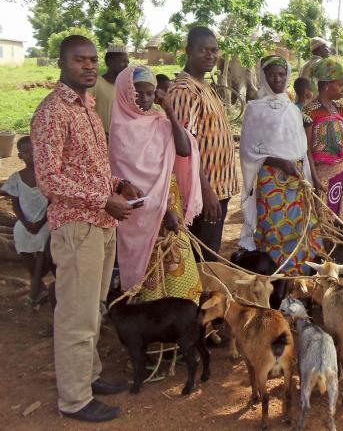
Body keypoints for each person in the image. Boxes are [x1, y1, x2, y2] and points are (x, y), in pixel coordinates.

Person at [31, 35, 143, 422]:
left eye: (93, 59)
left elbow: (88, 169)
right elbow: (49, 180)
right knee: (76, 315)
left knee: (92, 308)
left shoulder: (88, 109)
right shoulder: (53, 113)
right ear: (62, 64)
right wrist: (101, 200)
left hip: (101, 222)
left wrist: (117, 184)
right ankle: (75, 399)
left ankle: (89, 376)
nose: (90, 66)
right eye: (80, 60)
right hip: (78, 227)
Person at [109, 65, 203, 301]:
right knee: (147, 274)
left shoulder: (161, 122)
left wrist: (170, 110)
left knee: (177, 265)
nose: (145, 99)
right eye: (138, 93)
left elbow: (183, 149)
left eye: (150, 93)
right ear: (125, 93)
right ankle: (150, 321)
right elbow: (122, 179)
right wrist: (157, 210)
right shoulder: (119, 130)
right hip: (140, 215)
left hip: (169, 205)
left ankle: (180, 319)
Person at [239, 56, 323, 276]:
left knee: (299, 227)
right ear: (263, 76)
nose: (277, 79)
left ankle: (300, 276)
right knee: (275, 228)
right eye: (272, 74)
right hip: (271, 180)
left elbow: (302, 148)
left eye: (282, 74)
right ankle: (278, 278)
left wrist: (309, 177)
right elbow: (249, 150)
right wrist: (280, 162)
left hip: (296, 178)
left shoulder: (293, 110)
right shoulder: (254, 109)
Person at [169, 27, 239, 261]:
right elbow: (186, 148)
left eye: (214, 50)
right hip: (203, 192)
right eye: (203, 50)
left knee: (210, 254)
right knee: (202, 259)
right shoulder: (184, 91)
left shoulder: (204, 87)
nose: (210, 55)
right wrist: (206, 190)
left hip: (218, 188)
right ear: (188, 51)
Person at [303, 58, 343, 219]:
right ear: (326, 85)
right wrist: (315, 179)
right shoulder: (310, 112)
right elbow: (307, 149)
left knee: (338, 217)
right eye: (340, 85)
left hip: (341, 173)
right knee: (322, 219)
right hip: (320, 175)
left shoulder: (339, 109)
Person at [1, 136, 49, 307]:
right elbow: (15, 205)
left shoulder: (48, 176)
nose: (31, 155)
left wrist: (41, 221)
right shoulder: (16, 178)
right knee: (20, 236)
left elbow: (51, 203)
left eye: (34, 150)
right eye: (26, 152)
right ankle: (39, 284)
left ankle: (35, 285)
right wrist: (26, 223)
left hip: (45, 222)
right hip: (26, 222)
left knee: (44, 242)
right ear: (20, 156)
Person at [91, 45, 129, 134]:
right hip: (101, 138)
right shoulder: (95, 83)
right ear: (109, 62)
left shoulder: (127, 86)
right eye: (123, 61)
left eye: (127, 62)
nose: (127, 65)